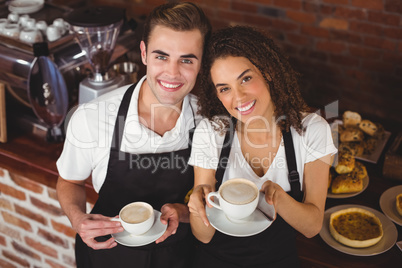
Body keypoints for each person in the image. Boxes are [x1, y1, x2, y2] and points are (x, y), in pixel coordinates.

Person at [56, 2, 211, 268]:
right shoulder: (93, 117)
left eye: (186, 60)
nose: (172, 73)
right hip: (108, 255)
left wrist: (185, 213)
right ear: (144, 53)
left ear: (201, 63)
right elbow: (70, 181)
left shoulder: (209, 121)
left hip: (181, 257)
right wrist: (77, 218)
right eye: (161, 56)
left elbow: (211, 199)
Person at [188, 25, 337, 267]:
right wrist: (196, 208)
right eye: (224, 89)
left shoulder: (311, 130)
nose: (238, 98)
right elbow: (203, 236)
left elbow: (311, 226)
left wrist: (278, 196)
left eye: (245, 79)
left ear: (268, 72)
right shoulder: (212, 132)